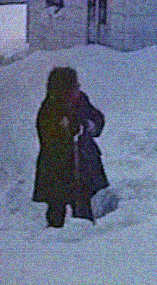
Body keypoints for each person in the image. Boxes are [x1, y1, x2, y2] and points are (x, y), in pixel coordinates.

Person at [32, 66, 109, 227]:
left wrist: (90, 126)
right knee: (57, 207)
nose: (78, 90)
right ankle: (57, 242)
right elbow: (50, 140)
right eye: (74, 86)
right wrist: (70, 129)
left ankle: (88, 233)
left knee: (85, 204)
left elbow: (97, 117)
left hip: (85, 163)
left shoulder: (81, 100)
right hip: (58, 168)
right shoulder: (49, 110)